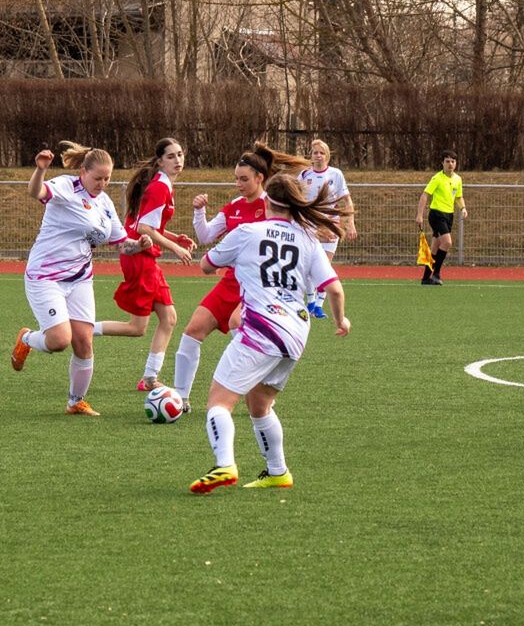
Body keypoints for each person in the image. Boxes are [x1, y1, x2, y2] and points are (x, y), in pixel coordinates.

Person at [188, 173, 351, 494]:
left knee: (219, 402)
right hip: (295, 334)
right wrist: (340, 321)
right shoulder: (308, 239)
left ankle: (224, 465)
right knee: (260, 405)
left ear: (266, 200)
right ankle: (278, 471)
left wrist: (234, 262)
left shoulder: (248, 231)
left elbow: (206, 265)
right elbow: (334, 289)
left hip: (261, 328)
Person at [11, 142, 152, 417]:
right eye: (97, 178)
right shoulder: (66, 187)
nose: (102, 183)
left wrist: (140, 244)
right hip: (46, 277)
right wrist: (40, 170)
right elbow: (35, 191)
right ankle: (27, 339)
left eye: (107, 178)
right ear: (84, 172)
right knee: (59, 340)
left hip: (80, 279)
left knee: (84, 342)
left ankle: (76, 401)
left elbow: (121, 244)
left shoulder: (105, 204)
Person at [172, 141, 311, 412]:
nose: (239, 184)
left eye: (244, 179)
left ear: (261, 178)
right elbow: (206, 236)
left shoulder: (273, 206)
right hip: (229, 282)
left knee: (239, 325)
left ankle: (254, 393)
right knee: (192, 331)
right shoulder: (234, 206)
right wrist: (199, 211)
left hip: (258, 285)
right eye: (236, 178)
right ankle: (180, 399)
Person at [92, 138, 196, 391]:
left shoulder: (162, 184)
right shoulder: (160, 186)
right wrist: (176, 247)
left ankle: (149, 379)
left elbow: (147, 225)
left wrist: (174, 237)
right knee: (137, 327)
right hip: (139, 258)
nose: (177, 160)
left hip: (144, 256)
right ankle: (83, 329)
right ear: (160, 160)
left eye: (180, 155)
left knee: (169, 318)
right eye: (171, 156)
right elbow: (143, 228)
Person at [298, 139, 357, 318]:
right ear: (311, 155)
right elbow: (295, 199)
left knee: (324, 266)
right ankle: (311, 301)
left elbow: (346, 200)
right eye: (315, 152)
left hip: (331, 225)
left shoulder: (336, 174)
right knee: (307, 268)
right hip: (309, 225)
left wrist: (350, 223)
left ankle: (318, 306)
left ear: (327, 155)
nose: (318, 156)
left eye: (321, 152)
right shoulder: (303, 175)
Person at [416, 150, 468, 285]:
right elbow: (425, 195)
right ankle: (436, 273)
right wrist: (419, 215)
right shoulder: (437, 178)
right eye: (447, 161)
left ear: (456, 164)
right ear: (442, 163)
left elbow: (458, 196)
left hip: (448, 215)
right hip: (436, 214)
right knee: (447, 242)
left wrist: (463, 208)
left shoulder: (458, 179)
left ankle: (426, 278)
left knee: (435, 247)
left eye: (453, 161)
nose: (450, 164)